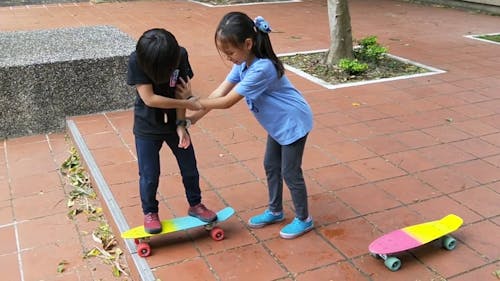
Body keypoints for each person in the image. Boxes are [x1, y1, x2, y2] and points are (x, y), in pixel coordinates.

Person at [176, 12, 314, 239]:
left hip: (292, 122)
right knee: (271, 165)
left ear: (248, 44)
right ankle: (276, 210)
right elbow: (219, 93)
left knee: (290, 172)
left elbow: (228, 102)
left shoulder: (263, 68)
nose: (228, 57)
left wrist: (191, 101)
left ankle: (304, 219)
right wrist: (193, 118)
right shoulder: (243, 65)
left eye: (230, 52)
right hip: (278, 124)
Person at [127, 28, 217, 234]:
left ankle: (196, 205)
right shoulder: (137, 60)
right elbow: (149, 98)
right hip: (147, 125)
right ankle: (150, 212)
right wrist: (186, 102)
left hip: (174, 122)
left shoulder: (180, 55)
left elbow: (182, 91)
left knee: (190, 168)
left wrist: (181, 124)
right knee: (149, 174)